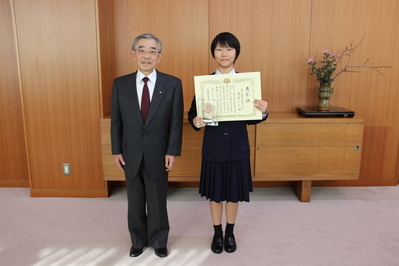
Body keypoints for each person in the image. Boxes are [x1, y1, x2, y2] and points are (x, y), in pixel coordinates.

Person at [188, 32, 268, 254]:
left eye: (229, 49)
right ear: (213, 53)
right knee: (215, 193)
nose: (224, 53)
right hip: (213, 147)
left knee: (233, 193)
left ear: (236, 53)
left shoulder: (247, 82)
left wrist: (263, 111)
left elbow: (252, 118)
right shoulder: (204, 84)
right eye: (219, 49)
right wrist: (195, 120)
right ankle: (216, 232)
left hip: (237, 147)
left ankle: (230, 232)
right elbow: (193, 113)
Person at [111, 33, 183, 258]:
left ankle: (159, 240)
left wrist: (172, 150)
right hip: (130, 152)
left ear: (159, 57)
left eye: (153, 51)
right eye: (142, 50)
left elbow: (175, 122)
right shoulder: (120, 84)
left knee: (157, 200)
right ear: (134, 54)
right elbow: (116, 120)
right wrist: (116, 150)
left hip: (159, 153)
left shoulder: (172, 84)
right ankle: (138, 240)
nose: (147, 55)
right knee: (134, 201)